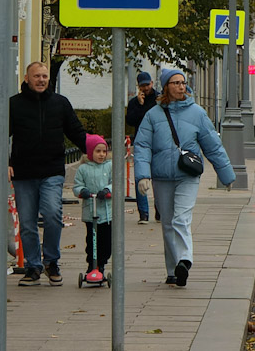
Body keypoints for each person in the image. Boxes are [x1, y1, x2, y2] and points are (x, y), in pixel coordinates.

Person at [133, 69, 236, 287]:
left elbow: (213, 146)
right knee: (168, 224)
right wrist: (142, 175)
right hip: (161, 177)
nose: (181, 87)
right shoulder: (153, 115)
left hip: (187, 175)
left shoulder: (197, 113)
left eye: (183, 82)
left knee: (181, 218)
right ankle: (173, 270)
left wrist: (226, 175)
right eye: (175, 83)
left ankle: (185, 260)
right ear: (166, 87)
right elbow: (142, 146)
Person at [9, 61, 88, 286]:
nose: (42, 80)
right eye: (37, 76)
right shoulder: (14, 104)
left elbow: (76, 131)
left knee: (53, 214)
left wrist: (94, 149)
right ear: (27, 79)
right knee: (27, 222)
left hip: (52, 171)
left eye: (44, 76)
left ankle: (51, 261)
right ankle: (33, 267)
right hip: (23, 173)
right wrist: (5, 163)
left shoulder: (60, 103)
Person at [73, 135, 114, 278]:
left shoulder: (109, 166)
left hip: (107, 213)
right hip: (91, 211)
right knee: (91, 241)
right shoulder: (83, 169)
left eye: (104, 151)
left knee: (106, 242)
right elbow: (77, 185)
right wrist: (82, 191)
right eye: (98, 151)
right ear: (90, 152)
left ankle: (101, 263)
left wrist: (108, 190)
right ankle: (92, 265)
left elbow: (115, 182)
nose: (102, 154)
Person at [126, 70, 159, 222]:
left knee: (158, 178)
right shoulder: (134, 102)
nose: (145, 88)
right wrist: (139, 105)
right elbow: (131, 121)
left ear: (152, 83)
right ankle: (143, 213)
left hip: (158, 142)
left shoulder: (159, 99)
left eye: (147, 85)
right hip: (141, 142)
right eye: (142, 86)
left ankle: (159, 210)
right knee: (141, 177)